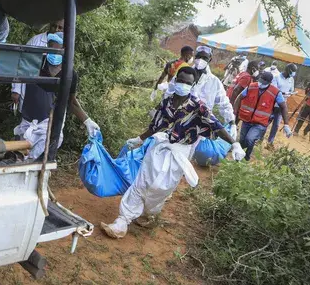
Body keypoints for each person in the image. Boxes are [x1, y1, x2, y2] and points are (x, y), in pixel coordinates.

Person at [100, 67, 246, 239]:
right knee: (142, 182)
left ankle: (149, 214)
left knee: (161, 188)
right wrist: (139, 139)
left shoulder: (198, 107)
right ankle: (122, 222)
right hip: (159, 147)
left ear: (192, 85)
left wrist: (234, 143)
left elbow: (216, 126)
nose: (183, 84)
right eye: (181, 80)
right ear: (175, 80)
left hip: (179, 153)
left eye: (188, 83)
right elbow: (155, 126)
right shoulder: (166, 102)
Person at [12, 33, 99, 159]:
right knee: (20, 154)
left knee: (42, 155)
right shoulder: (36, 64)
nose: (52, 49)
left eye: (56, 47)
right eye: (49, 45)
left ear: (65, 49)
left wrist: (87, 121)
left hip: (49, 121)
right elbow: (17, 69)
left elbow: (71, 101)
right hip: (28, 118)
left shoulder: (69, 74)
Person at [165, 46, 238, 140]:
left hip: (200, 125)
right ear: (195, 56)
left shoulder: (214, 82)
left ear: (210, 59)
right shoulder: (184, 74)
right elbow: (169, 92)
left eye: (204, 58)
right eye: (198, 57)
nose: (200, 60)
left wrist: (232, 122)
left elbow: (224, 103)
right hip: (177, 120)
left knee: (189, 148)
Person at [233, 72, 292, 161]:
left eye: (264, 83)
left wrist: (286, 124)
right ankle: (238, 160)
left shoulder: (275, 92)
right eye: (261, 81)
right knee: (242, 140)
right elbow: (239, 97)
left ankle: (246, 158)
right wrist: (234, 113)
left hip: (260, 123)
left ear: (269, 82)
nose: (261, 84)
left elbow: (283, 107)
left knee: (250, 139)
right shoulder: (252, 86)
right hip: (247, 119)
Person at [266, 63, 297, 148]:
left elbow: (291, 90)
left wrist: (289, 93)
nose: (293, 73)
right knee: (266, 122)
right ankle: (258, 139)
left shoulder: (291, 79)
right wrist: (284, 93)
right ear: (287, 70)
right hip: (272, 104)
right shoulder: (276, 77)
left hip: (281, 106)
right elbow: (274, 90)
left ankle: (270, 143)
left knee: (276, 125)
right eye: (292, 71)